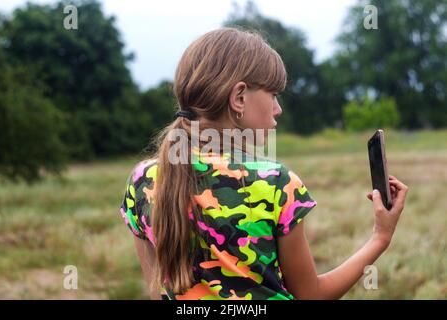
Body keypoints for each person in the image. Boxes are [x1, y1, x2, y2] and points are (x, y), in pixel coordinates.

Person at [119, 27, 408, 300]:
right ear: (239, 97)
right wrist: (380, 238)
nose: (278, 108)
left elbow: (157, 291)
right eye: (273, 94)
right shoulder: (275, 183)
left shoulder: (142, 180)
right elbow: (311, 295)